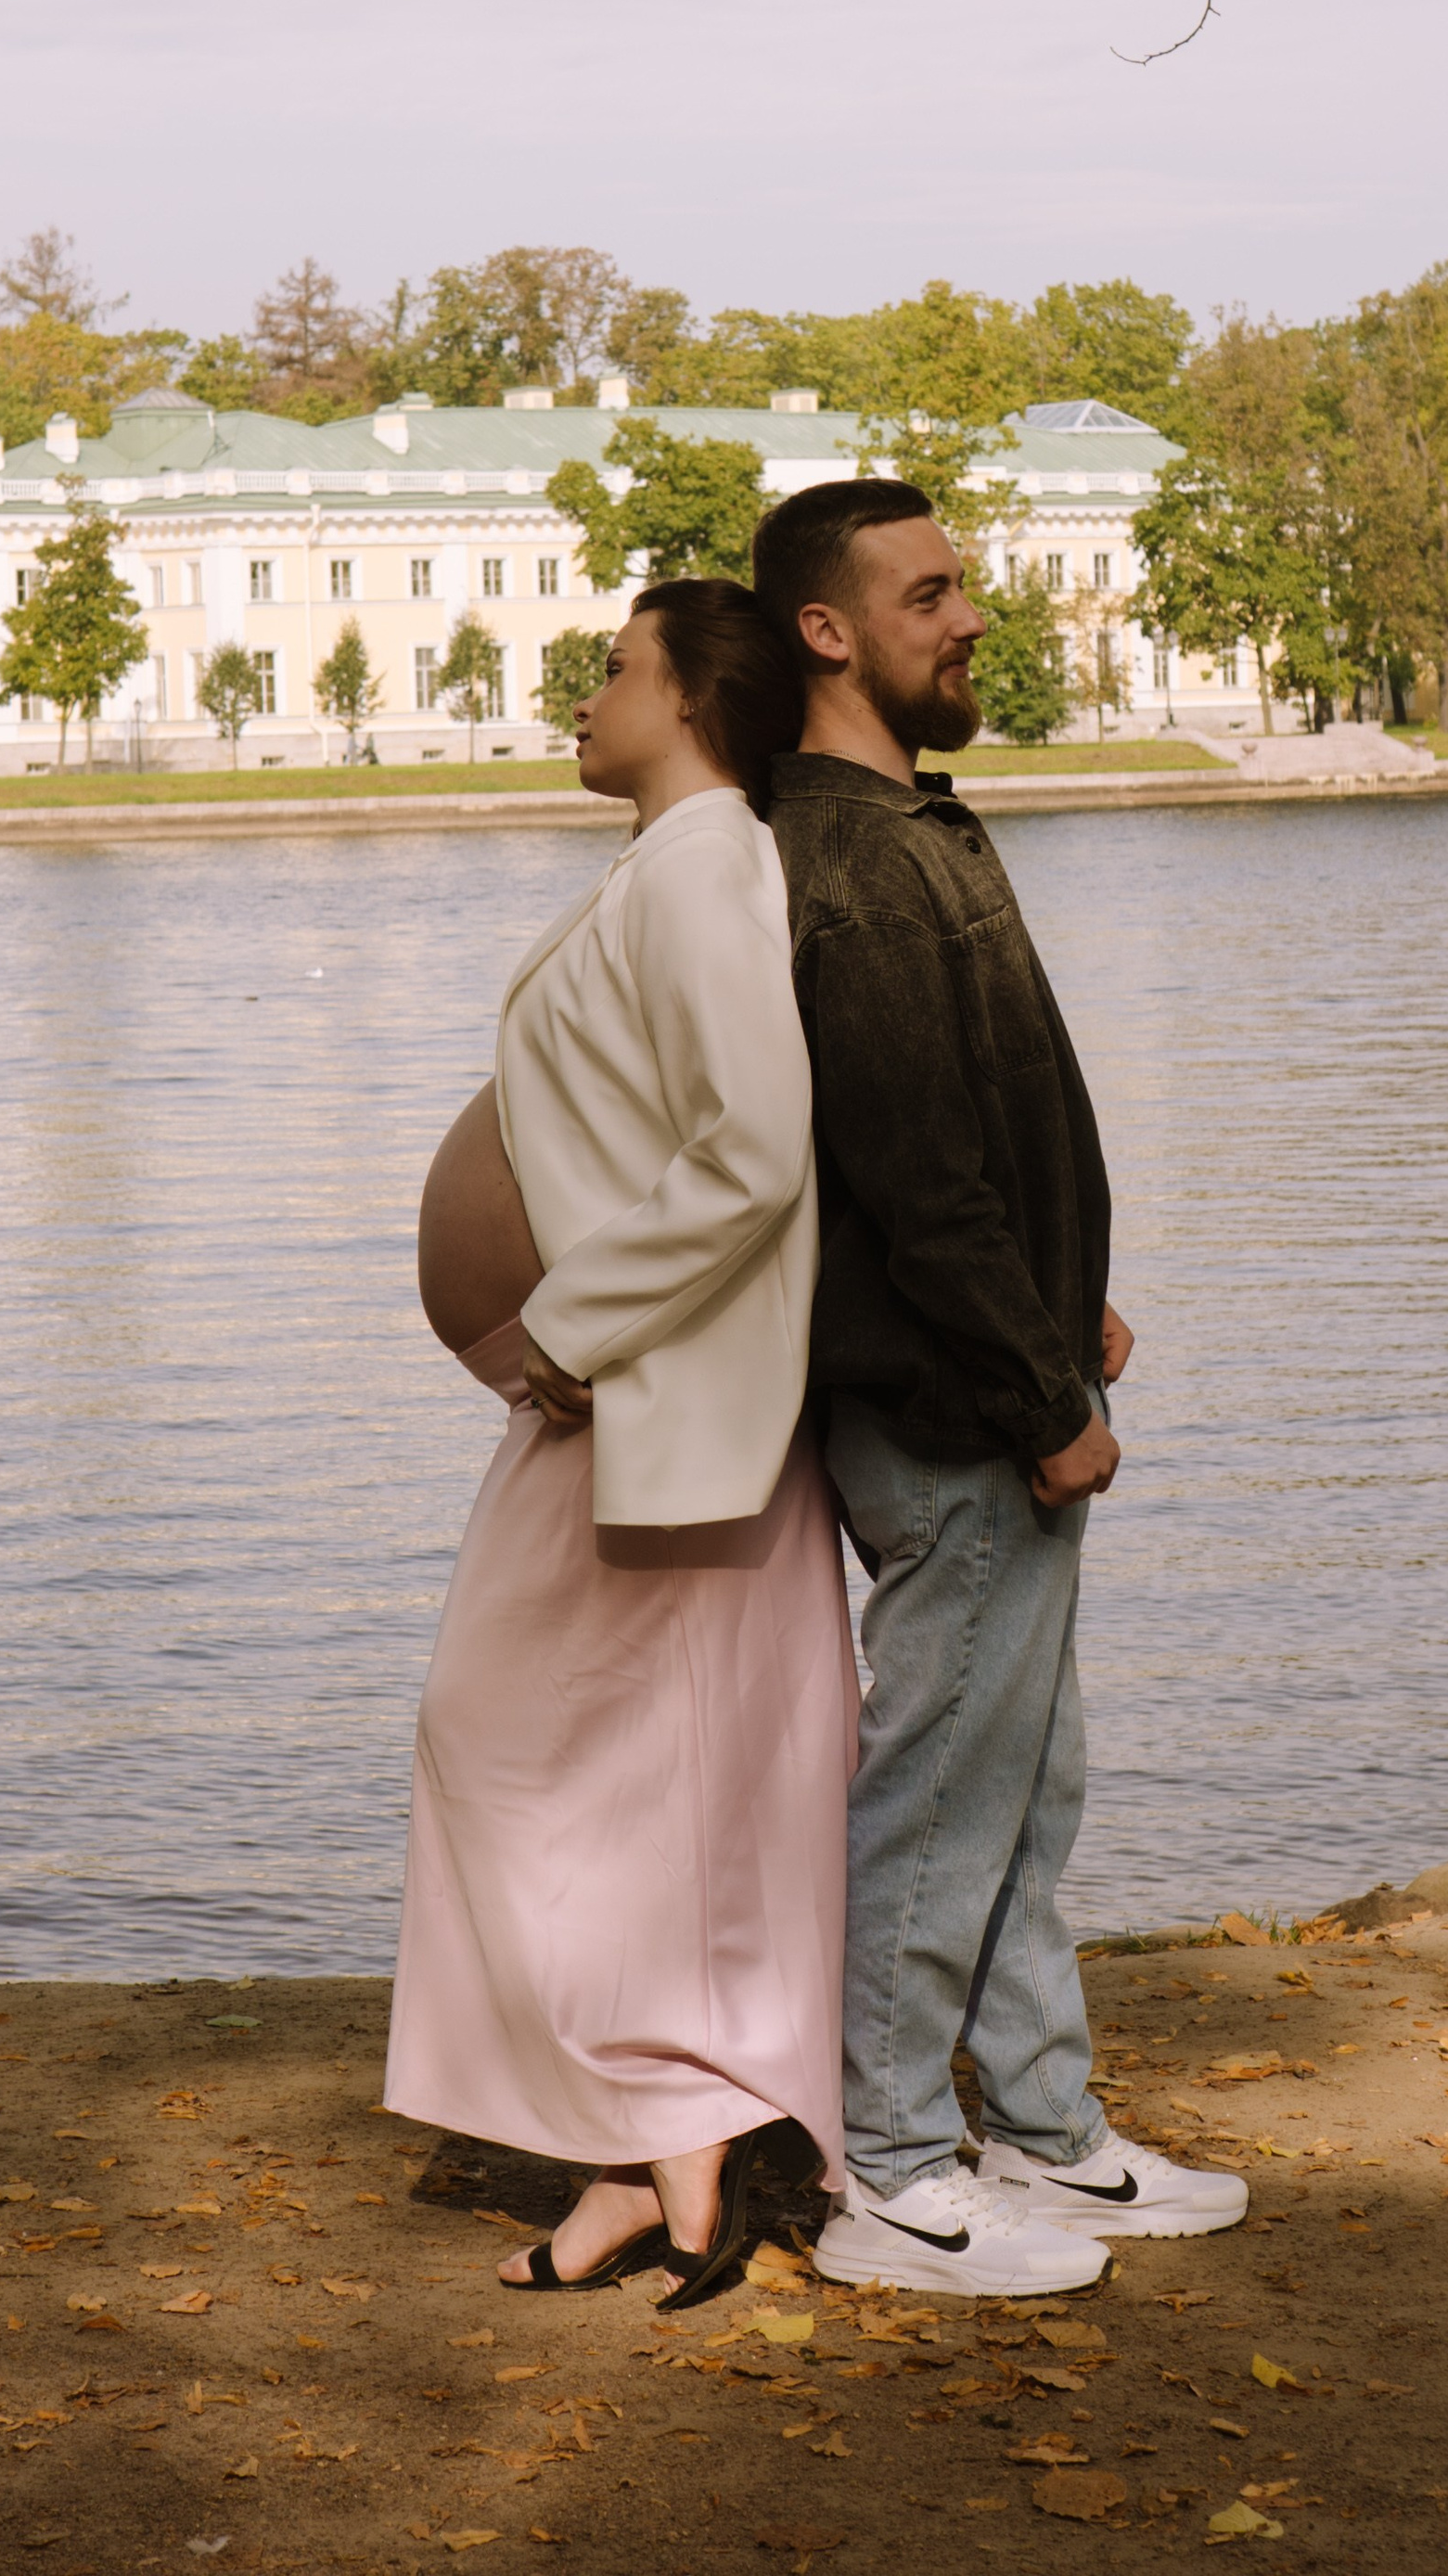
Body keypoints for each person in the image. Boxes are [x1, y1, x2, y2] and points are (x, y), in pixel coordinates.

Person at [751, 476, 1249, 2299]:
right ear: (828, 629)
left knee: (1028, 1781)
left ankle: (1040, 2131)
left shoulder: (917, 823)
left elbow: (985, 1129)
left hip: (1004, 1374)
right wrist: (1041, 1394)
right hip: (949, 1410)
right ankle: (882, 2171)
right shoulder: (844, 856)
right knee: (940, 1785)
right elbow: (910, 1175)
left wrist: (1072, 1311)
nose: (969, 617)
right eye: (930, 592)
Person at [386, 578, 857, 2308]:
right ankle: (651, 2170)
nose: (580, 693)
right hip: (624, 1406)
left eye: (610, 667)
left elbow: (758, 1147)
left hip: (652, 1402)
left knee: (519, 1745)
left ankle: (679, 2143)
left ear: (694, 698)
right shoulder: (671, 865)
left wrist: (577, 1330)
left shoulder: (715, 862)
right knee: (628, 1783)